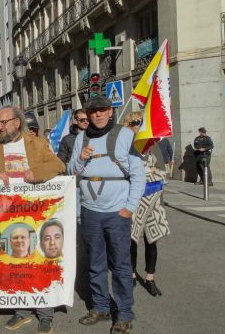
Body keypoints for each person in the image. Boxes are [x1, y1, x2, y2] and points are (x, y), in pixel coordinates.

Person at [0, 106, 66, 334]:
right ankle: (22, 311)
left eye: (3, 122)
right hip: (8, 217)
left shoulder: (36, 143)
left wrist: (36, 174)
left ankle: (45, 314)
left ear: (17, 122)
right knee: (15, 263)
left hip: (37, 214)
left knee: (40, 262)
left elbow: (58, 165)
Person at [68, 97, 145, 334]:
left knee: (121, 264)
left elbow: (138, 174)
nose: (98, 115)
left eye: (102, 110)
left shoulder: (124, 135)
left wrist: (129, 208)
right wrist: (81, 159)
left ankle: (123, 313)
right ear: (88, 114)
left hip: (117, 213)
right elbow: (70, 171)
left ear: (111, 112)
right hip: (91, 212)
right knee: (95, 263)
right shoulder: (81, 138)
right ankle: (100, 307)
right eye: (93, 111)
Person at [122, 113, 168, 298]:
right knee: (132, 239)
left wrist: (155, 173)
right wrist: (145, 170)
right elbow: (122, 170)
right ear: (127, 125)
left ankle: (150, 278)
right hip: (133, 199)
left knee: (152, 239)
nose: (138, 126)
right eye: (135, 123)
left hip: (153, 200)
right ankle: (132, 274)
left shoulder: (152, 145)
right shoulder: (125, 146)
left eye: (141, 124)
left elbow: (163, 171)